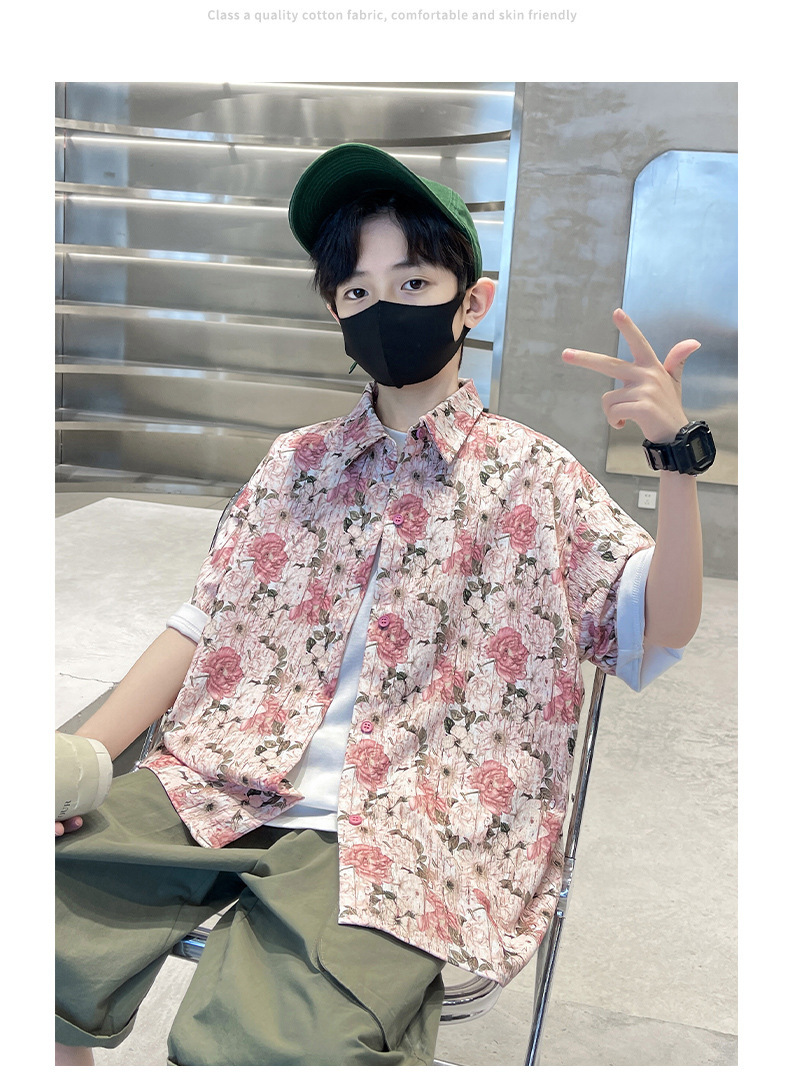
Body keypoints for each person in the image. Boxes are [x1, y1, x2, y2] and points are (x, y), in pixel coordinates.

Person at [55, 143, 714, 1066]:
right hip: (222, 777)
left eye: (412, 283)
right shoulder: (296, 463)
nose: (382, 308)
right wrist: (78, 758)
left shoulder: (534, 476)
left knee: (272, 1044)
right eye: (357, 292)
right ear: (334, 310)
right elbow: (201, 624)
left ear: (471, 301)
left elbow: (661, 626)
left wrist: (676, 459)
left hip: (411, 824)